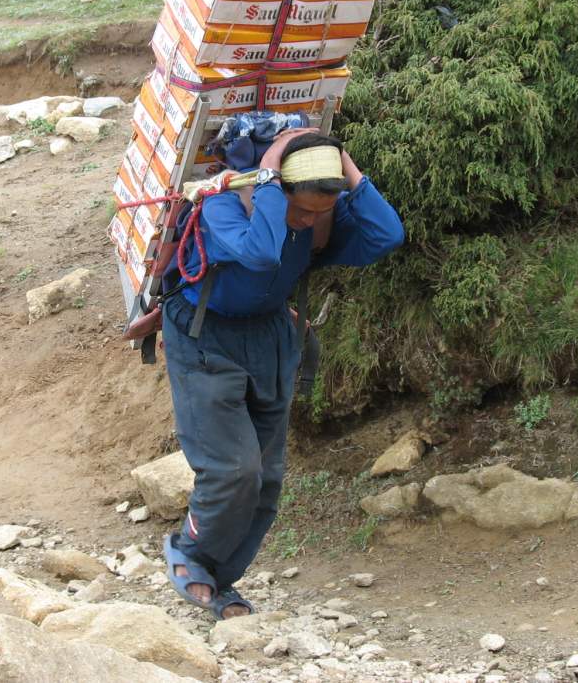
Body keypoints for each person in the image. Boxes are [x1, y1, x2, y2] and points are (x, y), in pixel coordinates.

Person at [161, 129, 404, 619]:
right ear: (275, 186)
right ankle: (189, 552)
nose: (310, 222)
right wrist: (270, 172)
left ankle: (219, 578)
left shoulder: (318, 216)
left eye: (320, 212)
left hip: (270, 338)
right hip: (206, 336)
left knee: (267, 480)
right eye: (303, 211)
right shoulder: (222, 204)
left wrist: (344, 164)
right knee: (233, 469)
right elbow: (260, 253)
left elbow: (387, 235)